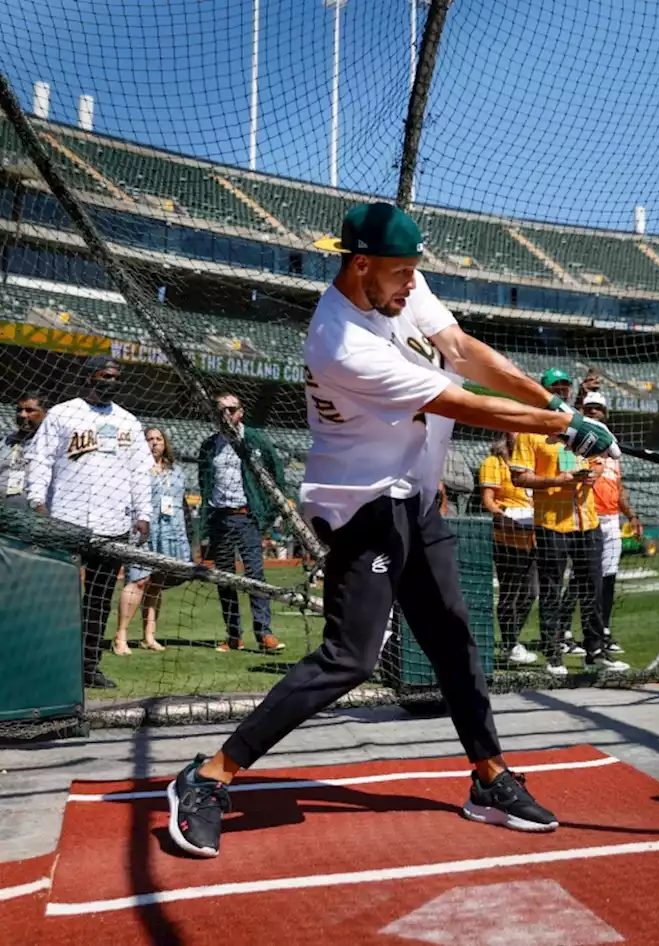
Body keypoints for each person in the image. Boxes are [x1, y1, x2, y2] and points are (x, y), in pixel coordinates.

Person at [166, 202, 620, 859]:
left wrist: (552, 404)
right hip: (363, 506)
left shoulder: (400, 285)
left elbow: (461, 352)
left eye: (413, 272)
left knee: (456, 641)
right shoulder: (339, 342)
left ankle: (489, 778)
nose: (412, 284)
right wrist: (560, 428)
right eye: (401, 271)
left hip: (416, 499)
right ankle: (208, 777)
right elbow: (452, 399)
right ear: (360, 265)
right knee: (349, 658)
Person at [24, 356, 151, 690]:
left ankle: (88, 666)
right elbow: (40, 459)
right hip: (66, 519)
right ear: (88, 377)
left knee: (98, 599)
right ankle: (46, 661)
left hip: (113, 522)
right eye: (104, 375)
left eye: (115, 376)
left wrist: (144, 514)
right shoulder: (64, 413)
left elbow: (140, 472)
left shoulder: (128, 421)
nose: (110, 381)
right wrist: (36, 500)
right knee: (57, 596)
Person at [509, 369, 628, 674]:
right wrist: (557, 479)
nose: (561, 392)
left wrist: (593, 473)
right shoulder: (530, 430)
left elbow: (600, 459)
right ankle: (553, 654)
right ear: (544, 390)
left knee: (592, 588)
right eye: (555, 387)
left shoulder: (580, 424)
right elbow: (519, 476)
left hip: (587, 520)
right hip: (551, 522)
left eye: (564, 387)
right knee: (551, 588)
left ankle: (595, 651)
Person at [197, 392, 287, 654]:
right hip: (220, 518)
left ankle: (264, 634)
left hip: (247, 516)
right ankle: (234, 635)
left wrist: (267, 514)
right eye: (221, 410)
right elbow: (204, 484)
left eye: (231, 409)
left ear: (241, 412)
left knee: (255, 575)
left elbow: (277, 476)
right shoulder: (209, 445)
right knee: (224, 578)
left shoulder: (256, 440)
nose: (226, 415)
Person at [114, 427, 193, 655]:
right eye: (150, 439)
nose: (154, 443)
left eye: (159, 439)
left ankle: (149, 635)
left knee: (157, 581)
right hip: (144, 530)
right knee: (138, 580)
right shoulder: (136, 469)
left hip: (170, 532)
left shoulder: (176, 470)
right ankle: (121, 636)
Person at [582, 392, 638, 653]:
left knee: (608, 577)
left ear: (605, 413)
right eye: (588, 408)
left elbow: (619, 489)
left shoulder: (614, 453)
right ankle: (566, 632)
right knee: (581, 578)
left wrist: (632, 515)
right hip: (585, 518)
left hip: (612, 520)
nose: (593, 411)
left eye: (598, 408)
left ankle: (602, 628)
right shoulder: (577, 445)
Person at [479, 433, 539, 666]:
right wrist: (501, 515)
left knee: (531, 592)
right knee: (510, 592)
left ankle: (510, 641)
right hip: (506, 537)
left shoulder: (530, 463)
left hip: (531, 536)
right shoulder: (493, 463)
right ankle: (510, 643)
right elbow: (489, 500)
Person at [1, 392, 47, 508]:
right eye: (19, 410)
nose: (22, 415)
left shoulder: (48, 445)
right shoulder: (6, 442)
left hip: (32, 515)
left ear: (45, 413)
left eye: (29, 410)